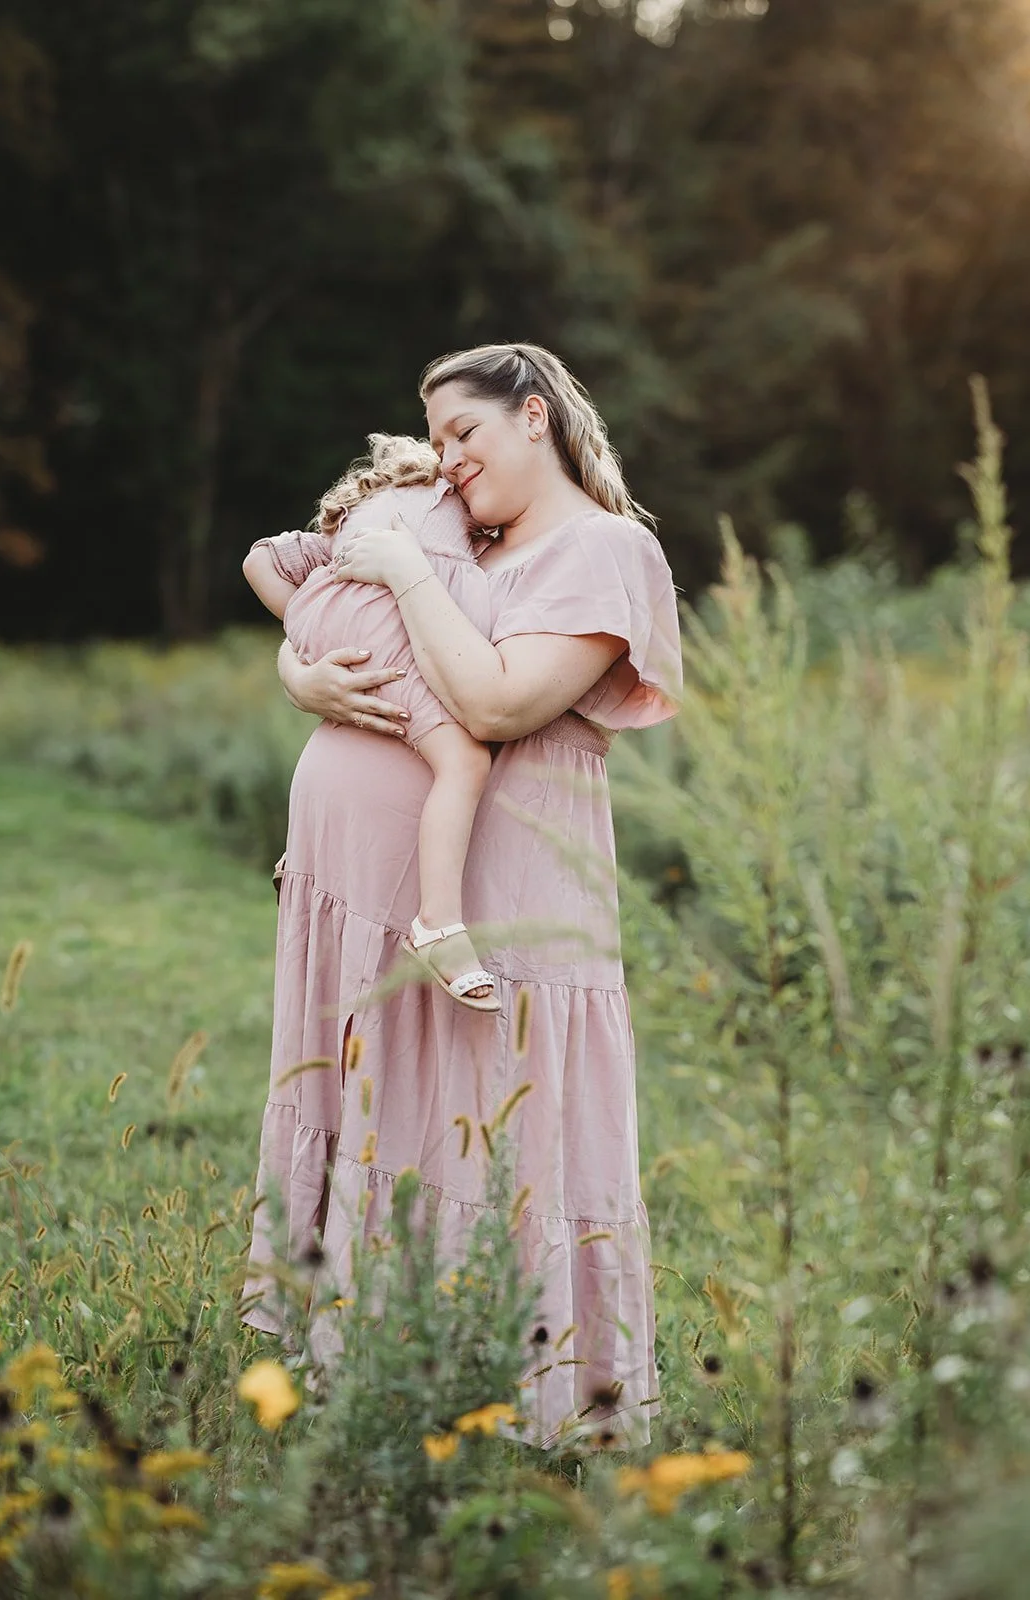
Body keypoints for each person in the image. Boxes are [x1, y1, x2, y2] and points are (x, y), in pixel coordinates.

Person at [240, 342, 683, 1448]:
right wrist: (300, 670)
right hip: (366, 894)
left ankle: (526, 1397)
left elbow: (490, 703)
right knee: (389, 1112)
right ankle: (382, 1374)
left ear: (533, 416)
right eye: (434, 439)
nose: (446, 460)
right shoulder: (470, 534)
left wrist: (399, 572)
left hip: (514, 899)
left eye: (464, 435)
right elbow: (337, 610)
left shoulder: (605, 549)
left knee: (497, 1117)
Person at [243, 433, 500, 1011]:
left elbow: (258, 559)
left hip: (326, 618)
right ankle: (438, 924)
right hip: (381, 623)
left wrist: (307, 625)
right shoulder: (451, 505)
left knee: (362, 725)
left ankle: (302, 852)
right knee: (462, 760)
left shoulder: (349, 525)